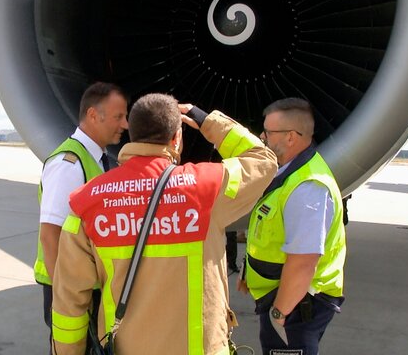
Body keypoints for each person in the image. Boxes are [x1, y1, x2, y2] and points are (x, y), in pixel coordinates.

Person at [51, 93, 277, 355]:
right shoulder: (208, 187)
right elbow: (264, 160)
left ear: (132, 134)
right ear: (177, 138)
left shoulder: (87, 202)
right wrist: (206, 120)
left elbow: (69, 301)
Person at [238, 97, 346, 355]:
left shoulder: (307, 187)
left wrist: (280, 312)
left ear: (290, 137)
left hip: (298, 305)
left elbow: (304, 261)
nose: (262, 137)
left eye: (268, 132)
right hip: (287, 299)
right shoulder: (288, 173)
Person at [34, 82, 128, 350]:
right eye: (118, 116)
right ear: (92, 115)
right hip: (69, 290)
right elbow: (50, 234)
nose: (125, 124)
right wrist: (67, 297)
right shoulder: (69, 164)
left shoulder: (97, 159)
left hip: (83, 284)